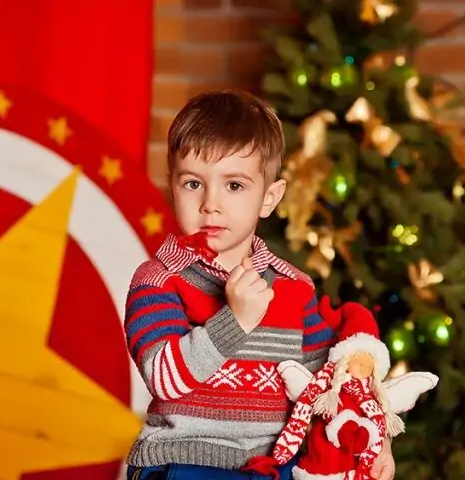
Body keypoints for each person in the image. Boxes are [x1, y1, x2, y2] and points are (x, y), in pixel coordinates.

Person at [123, 90, 396, 480]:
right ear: (172, 186)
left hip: (272, 466)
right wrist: (235, 320)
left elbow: (330, 387)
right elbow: (164, 379)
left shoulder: (293, 287)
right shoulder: (159, 279)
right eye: (193, 183)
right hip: (183, 462)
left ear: (269, 198)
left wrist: (376, 442)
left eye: (234, 186)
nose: (210, 203)